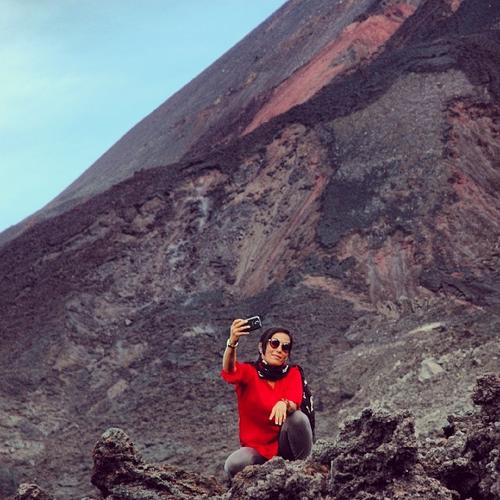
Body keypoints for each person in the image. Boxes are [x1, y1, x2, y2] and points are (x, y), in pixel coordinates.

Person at [221, 318, 313, 480]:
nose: (279, 350)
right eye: (274, 343)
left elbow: (295, 402)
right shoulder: (249, 373)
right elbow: (230, 369)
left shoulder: (293, 373)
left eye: (285, 347)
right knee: (234, 463)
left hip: (286, 448)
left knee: (297, 418)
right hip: (258, 451)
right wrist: (232, 343)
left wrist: (284, 404)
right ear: (261, 346)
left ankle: (305, 473)